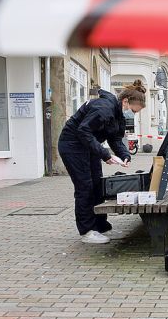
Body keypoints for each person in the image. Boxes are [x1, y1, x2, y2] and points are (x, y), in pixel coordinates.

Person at [58, 80, 146, 244]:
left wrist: (124, 154)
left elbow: (115, 139)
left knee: (98, 184)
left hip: (88, 145)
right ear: (125, 101)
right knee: (85, 186)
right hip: (72, 145)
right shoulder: (104, 108)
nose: (132, 114)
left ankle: (100, 226)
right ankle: (87, 231)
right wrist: (105, 155)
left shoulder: (117, 114)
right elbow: (83, 130)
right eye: (133, 110)